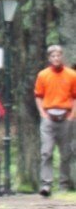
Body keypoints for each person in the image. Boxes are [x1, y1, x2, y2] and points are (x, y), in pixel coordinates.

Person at [33, 44, 76, 196]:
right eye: (53, 56)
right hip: (48, 117)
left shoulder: (71, 74)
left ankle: (64, 183)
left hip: (66, 117)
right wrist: (42, 113)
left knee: (66, 152)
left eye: (58, 55)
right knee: (46, 152)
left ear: (62, 57)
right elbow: (38, 96)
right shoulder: (43, 75)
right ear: (49, 58)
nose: (56, 58)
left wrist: (72, 115)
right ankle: (46, 184)